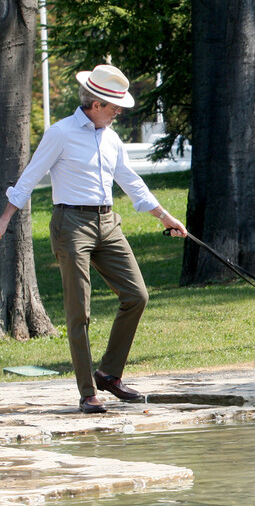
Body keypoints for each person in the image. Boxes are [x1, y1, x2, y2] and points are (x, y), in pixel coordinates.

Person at [0, 64, 188, 414]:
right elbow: (30, 176)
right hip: (71, 223)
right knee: (79, 312)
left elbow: (132, 182)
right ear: (97, 103)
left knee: (137, 295)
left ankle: (108, 374)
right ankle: (88, 392)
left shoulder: (111, 137)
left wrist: (166, 217)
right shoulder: (61, 133)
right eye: (115, 107)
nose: (119, 112)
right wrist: (5, 218)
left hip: (108, 222)